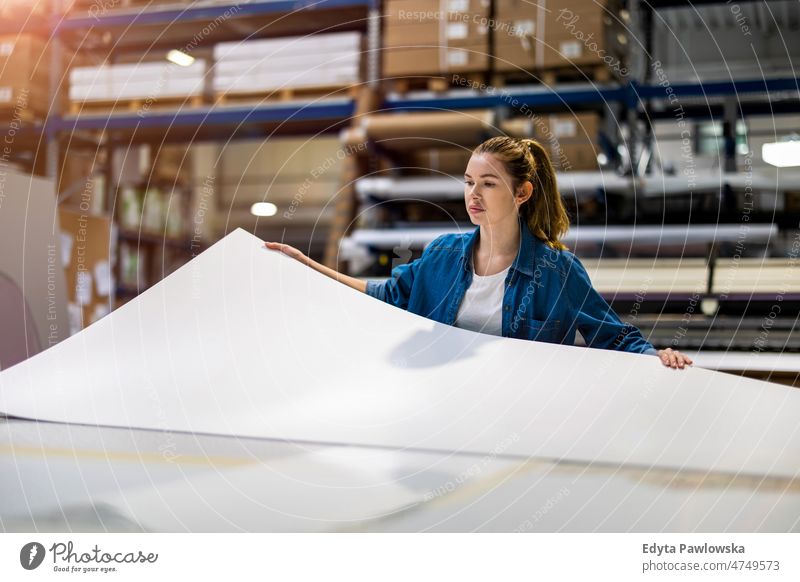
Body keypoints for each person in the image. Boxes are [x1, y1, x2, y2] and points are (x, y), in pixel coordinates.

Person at [265, 136, 693, 369]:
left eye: (488, 183)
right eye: (469, 181)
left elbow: (614, 336)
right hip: (445, 407)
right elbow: (387, 294)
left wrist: (657, 356)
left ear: (522, 192)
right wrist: (307, 266)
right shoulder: (444, 255)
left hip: (517, 418)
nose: (474, 193)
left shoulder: (556, 270)